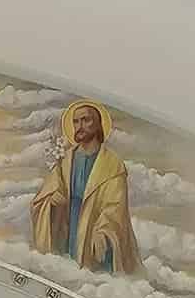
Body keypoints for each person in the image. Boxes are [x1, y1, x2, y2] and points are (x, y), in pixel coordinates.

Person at [30, 100, 141, 275]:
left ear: (98, 125)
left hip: (93, 230)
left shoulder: (112, 165)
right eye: (75, 121)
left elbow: (115, 207)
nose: (79, 126)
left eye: (85, 120)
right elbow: (42, 198)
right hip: (68, 228)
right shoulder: (65, 160)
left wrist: (104, 230)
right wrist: (51, 202)